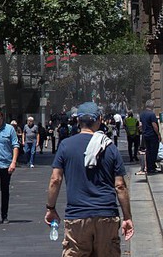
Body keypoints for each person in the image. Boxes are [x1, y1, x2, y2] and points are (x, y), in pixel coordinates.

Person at [45, 102, 133, 256]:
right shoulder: (110, 147)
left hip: (77, 216)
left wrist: (50, 208)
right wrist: (127, 217)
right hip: (106, 215)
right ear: (99, 119)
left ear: (78, 121)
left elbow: (55, 180)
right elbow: (120, 186)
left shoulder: (65, 145)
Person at [140, 100, 161, 174]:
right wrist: (158, 134)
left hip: (145, 135)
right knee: (153, 151)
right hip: (152, 135)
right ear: (152, 106)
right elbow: (154, 125)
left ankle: (149, 167)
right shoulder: (152, 114)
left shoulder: (142, 114)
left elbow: (141, 125)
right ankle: (152, 167)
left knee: (148, 151)